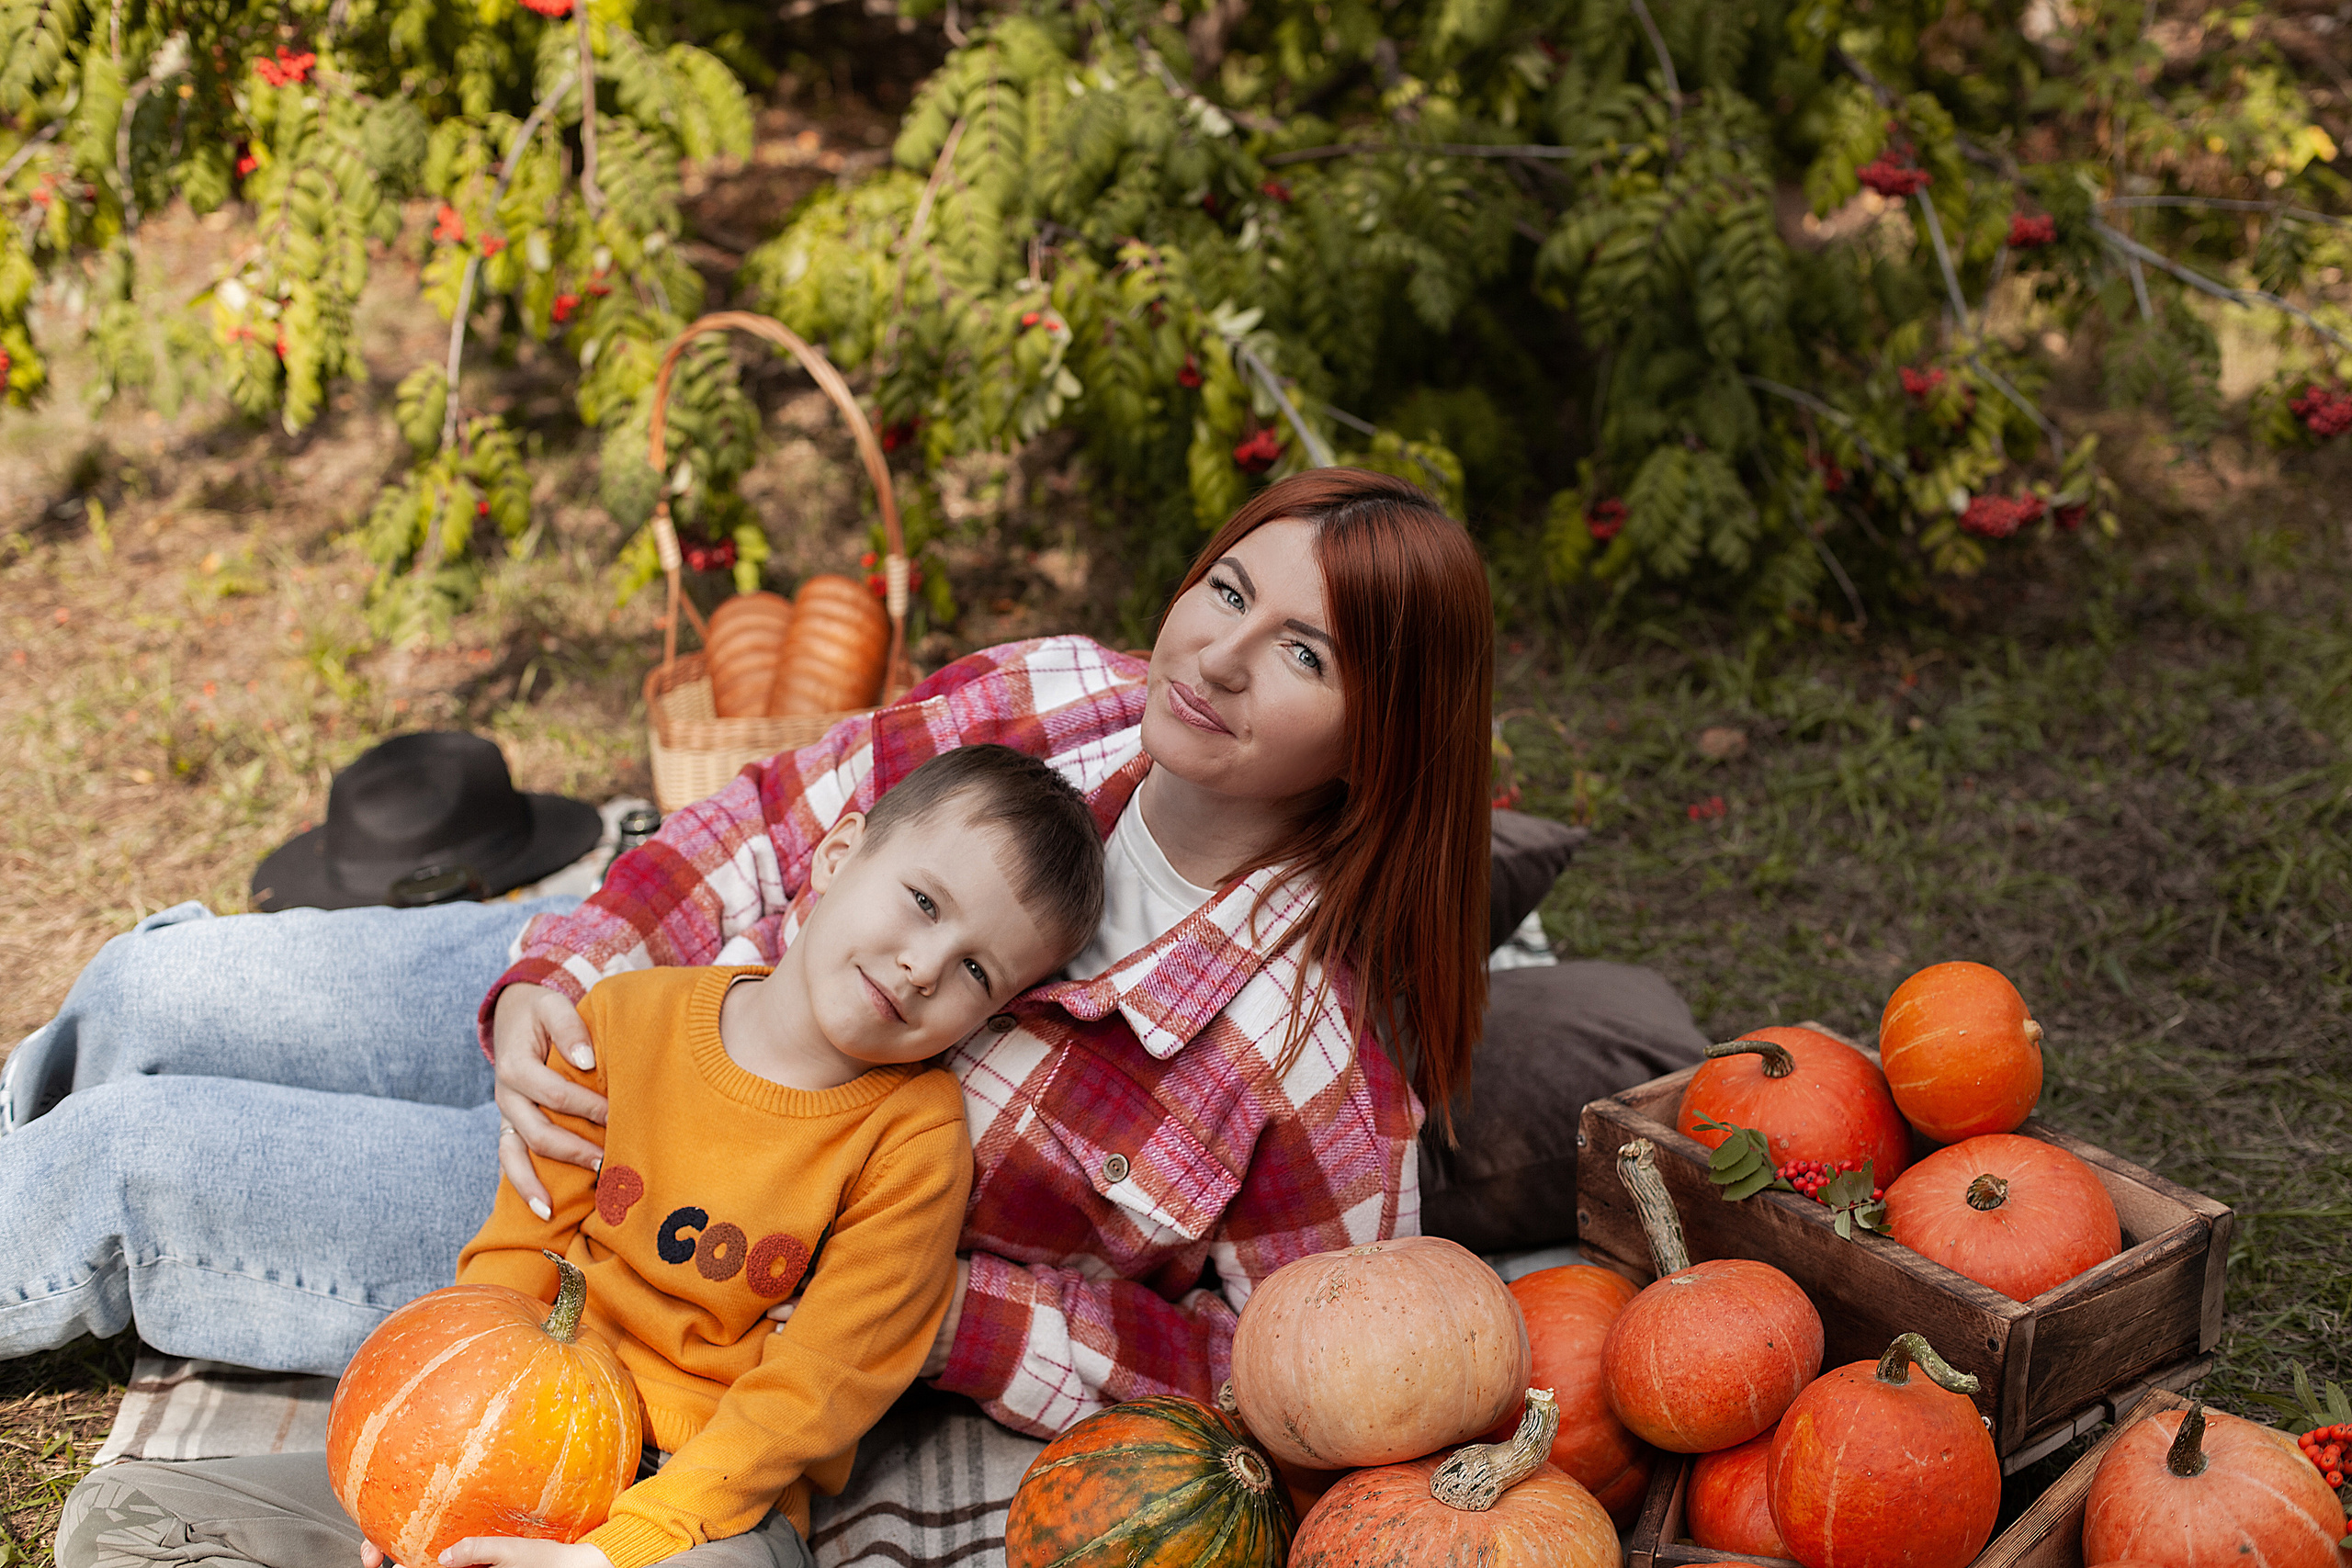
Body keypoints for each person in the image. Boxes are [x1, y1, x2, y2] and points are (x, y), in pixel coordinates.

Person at [1, 468, 1706, 1461]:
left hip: (677, 1217)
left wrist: (948, 1312)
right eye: (1226, 590)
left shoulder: (1310, 1056)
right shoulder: (1053, 692)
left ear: (1376, 733)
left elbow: (1283, 1379)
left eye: (1303, 653)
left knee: (129, 1164)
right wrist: (556, 968)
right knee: (160, 989)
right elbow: (760, 819)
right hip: (651, 1008)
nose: (1217, 659)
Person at [59, 743, 1109, 1568]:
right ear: (837, 859)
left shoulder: (911, 1141)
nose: (925, 965)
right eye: (922, 902)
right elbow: (521, 1247)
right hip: (525, 1440)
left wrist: (619, 1549)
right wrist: (439, 1457)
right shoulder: (626, 1020)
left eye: (976, 968)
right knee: (131, 1515)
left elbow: (818, 1392)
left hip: (695, 1502)